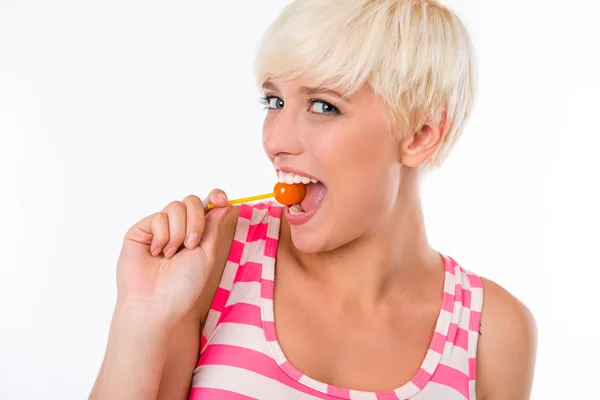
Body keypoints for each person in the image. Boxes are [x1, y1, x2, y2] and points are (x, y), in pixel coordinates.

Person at [90, 0, 537, 399]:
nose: (275, 141)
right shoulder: (213, 257)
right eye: (274, 100)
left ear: (420, 135)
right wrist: (140, 320)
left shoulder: (492, 332)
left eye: (324, 106)